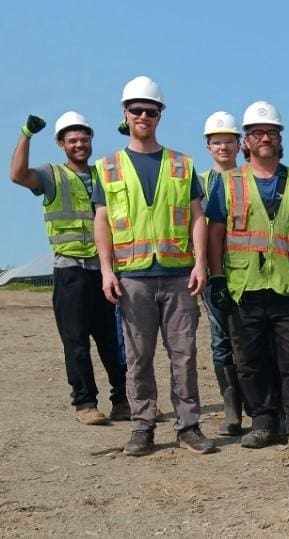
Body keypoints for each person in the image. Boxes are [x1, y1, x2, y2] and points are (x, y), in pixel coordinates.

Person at [92, 76, 214, 456]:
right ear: (125, 114)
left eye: (151, 110)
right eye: (137, 110)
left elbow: (197, 216)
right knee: (139, 356)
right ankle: (142, 426)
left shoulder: (181, 163)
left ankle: (188, 425)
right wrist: (107, 270)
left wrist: (200, 263)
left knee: (185, 354)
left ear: (160, 115)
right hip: (133, 277)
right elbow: (102, 220)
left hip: (178, 275)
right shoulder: (108, 166)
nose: (144, 116)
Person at [206, 102, 289, 451]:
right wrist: (216, 277)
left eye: (271, 132)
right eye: (257, 133)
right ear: (246, 140)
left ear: (280, 138)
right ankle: (262, 421)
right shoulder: (229, 183)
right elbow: (216, 233)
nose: (265, 138)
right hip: (245, 287)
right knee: (250, 361)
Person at [10, 112, 128, 425]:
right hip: (71, 271)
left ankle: (124, 400)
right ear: (62, 144)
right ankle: (86, 403)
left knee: (112, 341)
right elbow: (18, 175)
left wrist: (130, 133)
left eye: (84, 138)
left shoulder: (104, 173)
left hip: (104, 271)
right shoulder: (52, 175)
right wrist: (26, 134)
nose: (79, 144)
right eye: (72, 140)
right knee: (76, 341)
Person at [199, 111, 244, 436]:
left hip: (246, 273)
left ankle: (258, 405)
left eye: (229, 141)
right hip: (213, 274)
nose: (223, 147)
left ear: (239, 145)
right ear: (208, 146)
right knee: (221, 340)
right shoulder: (199, 184)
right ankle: (232, 411)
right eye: (217, 142)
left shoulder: (248, 180)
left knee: (251, 340)